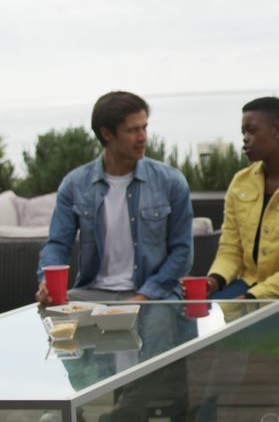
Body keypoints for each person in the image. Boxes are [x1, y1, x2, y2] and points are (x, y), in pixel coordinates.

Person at [37, 90, 193, 304]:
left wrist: (143, 296)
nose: (143, 137)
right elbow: (57, 244)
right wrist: (47, 282)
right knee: (48, 321)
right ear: (107, 134)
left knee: (157, 329)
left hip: (155, 295)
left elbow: (182, 252)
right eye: (133, 130)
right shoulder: (75, 184)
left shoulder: (171, 182)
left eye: (144, 127)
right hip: (91, 294)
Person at [204, 96, 279, 334]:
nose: (244, 140)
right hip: (250, 284)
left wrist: (252, 297)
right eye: (243, 132)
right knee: (204, 319)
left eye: (251, 131)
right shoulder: (240, 183)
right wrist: (214, 280)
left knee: (248, 330)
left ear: (277, 131)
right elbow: (230, 250)